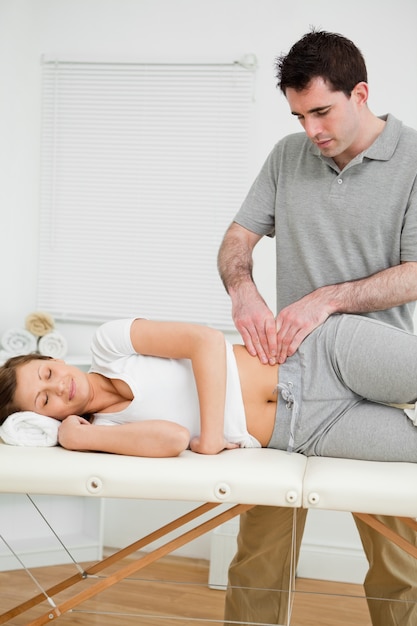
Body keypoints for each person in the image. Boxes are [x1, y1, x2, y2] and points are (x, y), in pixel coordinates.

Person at [217, 28, 417, 626]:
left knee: (400, 556)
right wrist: (243, 288)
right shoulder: (287, 155)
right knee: (260, 552)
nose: (311, 131)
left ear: (360, 94)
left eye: (322, 112)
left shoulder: (412, 160)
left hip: (379, 375)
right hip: (290, 387)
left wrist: (328, 300)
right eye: (299, 115)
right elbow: (236, 239)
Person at [1, 314, 417, 463]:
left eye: (46, 374)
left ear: (51, 359)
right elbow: (174, 438)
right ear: (45, 420)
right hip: (306, 431)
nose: (59, 388)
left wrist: (214, 437)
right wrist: (84, 436)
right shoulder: (106, 433)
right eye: (44, 401)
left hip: (321, 356)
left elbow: (205, 341)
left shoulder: (110, 344)